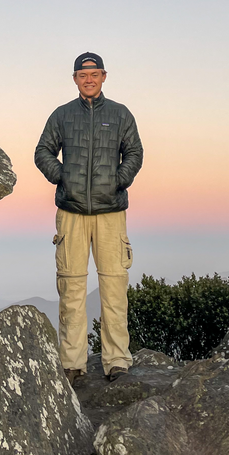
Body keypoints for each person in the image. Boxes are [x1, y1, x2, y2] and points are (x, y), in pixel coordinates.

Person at [35, 52, 143, 385]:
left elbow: (135, 153)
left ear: (104, 76)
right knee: (71, 287)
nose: (89, 80)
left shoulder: (120, 114)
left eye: (95, 74)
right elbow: (42, 152)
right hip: (71, 212)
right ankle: (72, 363)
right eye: (83, 75)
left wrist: (118, 180)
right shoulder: (62, 115)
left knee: (113, 286)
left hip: (111, 214)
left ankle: (116, 361)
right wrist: (63, 176)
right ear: (75, 79)